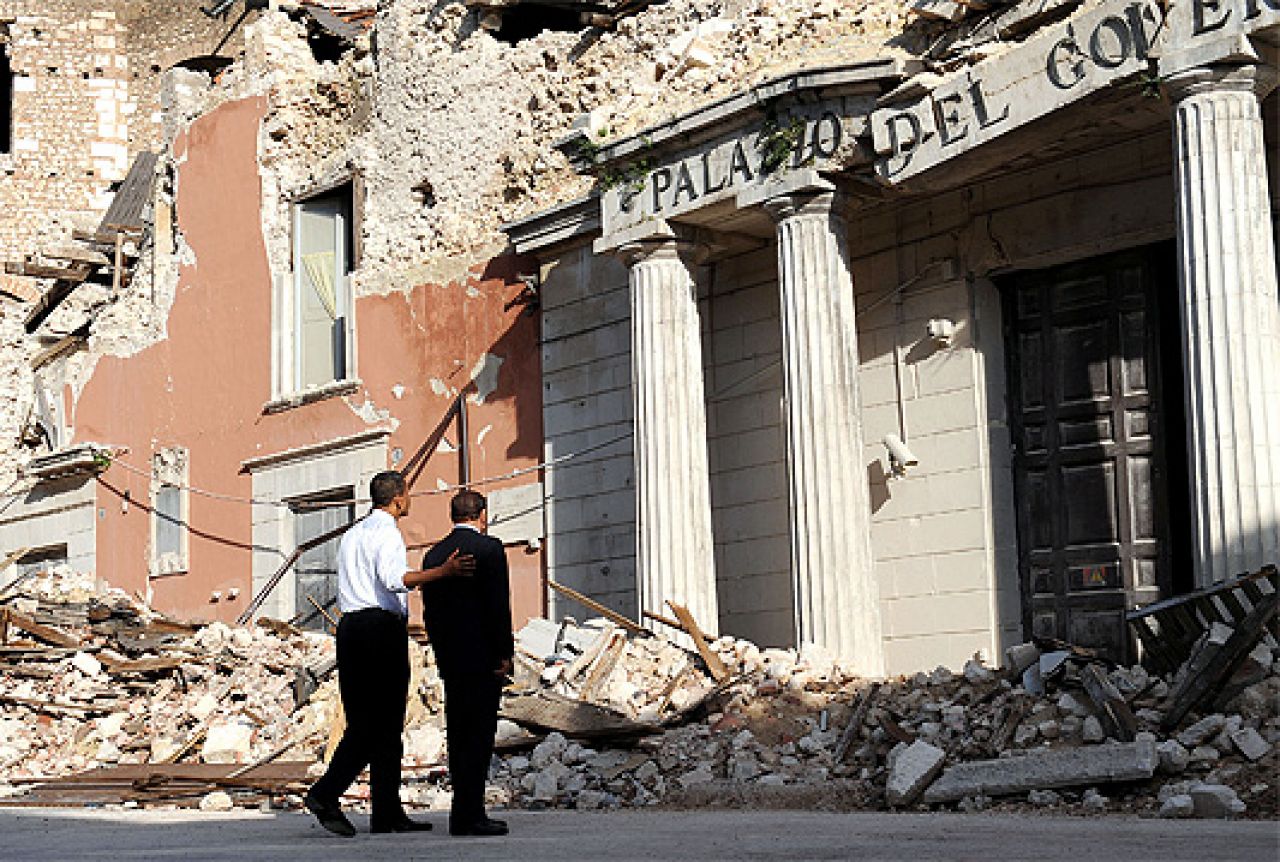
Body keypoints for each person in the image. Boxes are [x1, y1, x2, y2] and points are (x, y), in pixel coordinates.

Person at [304, 470, 473, 837]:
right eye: (408, 494)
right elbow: (397, 580)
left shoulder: (352, 534)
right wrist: (444, 571)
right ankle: (326, 793)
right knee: (378, 723)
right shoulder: (388, 533)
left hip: (350, 630)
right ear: (398, 499)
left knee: (374, 724)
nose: (409, 500)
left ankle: (387, 813)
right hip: (379, 631)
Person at [421, 489, 514, 837]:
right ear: (482, 514)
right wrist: (504, 653)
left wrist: (441, 651)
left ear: (452, 515)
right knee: (479, 736)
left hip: (452, 659)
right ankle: (470, 814)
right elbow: (497, 606)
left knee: (459, 735)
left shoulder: (434, 556)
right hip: (483, 658)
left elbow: (431, 614)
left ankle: (463, 811)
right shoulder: (490, 549)